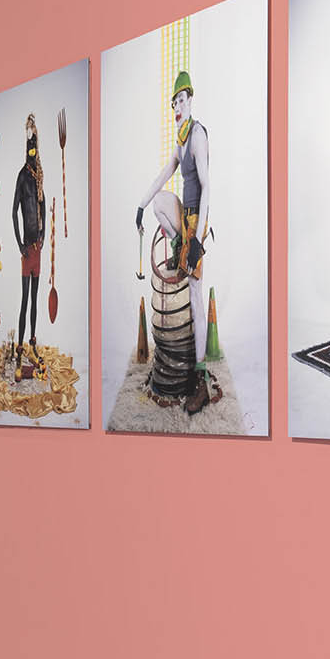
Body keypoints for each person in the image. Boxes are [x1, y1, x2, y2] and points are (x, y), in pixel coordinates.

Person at [134, 70, 214, 413]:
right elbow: (165, 174)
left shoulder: (197, 135)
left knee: (195, 296)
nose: (178, 107)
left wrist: (197, 239)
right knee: (159, 204)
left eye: (182, 100)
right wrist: (140, 204)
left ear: (191, 100)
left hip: (197, 220)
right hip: (185, 218)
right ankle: (177, 248)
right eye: (174, 102)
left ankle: (200, 377)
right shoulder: (180, 140)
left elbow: (207, 187)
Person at [10, 113, 46, 377]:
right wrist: (19, 245)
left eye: (34, 146)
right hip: (26, 249)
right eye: (28, 146)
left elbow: (44, 208)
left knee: (35, 300)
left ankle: (32, 342)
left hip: (38, 249)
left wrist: (43, 236)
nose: (31, 150)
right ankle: (20, 347)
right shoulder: (22, 177)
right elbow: (13, 212)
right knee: (24, 301)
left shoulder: (39, 178)